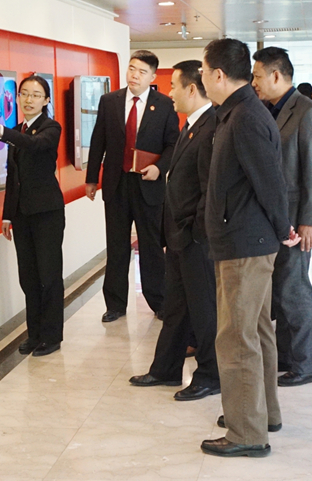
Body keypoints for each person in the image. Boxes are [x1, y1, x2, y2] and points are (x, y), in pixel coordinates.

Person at [199, 38, 300, 458]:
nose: (202, 78)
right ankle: (262, 413)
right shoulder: (237, 112)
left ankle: (246, 433)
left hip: (245, 243)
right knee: (256, 330)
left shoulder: (244, 117)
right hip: (243, 239)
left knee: (236, 337)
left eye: (204, 72)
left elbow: (271, 182)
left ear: (219, 75)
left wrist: (283, 227)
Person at [128, 60, 220, 401]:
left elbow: (210, 189)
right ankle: (165, 369)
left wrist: (195, 231)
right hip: (180, 235)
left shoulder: (211, 127)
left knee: (204, 310)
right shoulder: (192, 125)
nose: (169, 93)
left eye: (173, 86)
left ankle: (210, 375)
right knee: (177, 307)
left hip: (195, 237)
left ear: (191, 89)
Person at [0, 75, 65, 357]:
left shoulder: (51, 128)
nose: (28, 100)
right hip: (22, 215)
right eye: (24, 94)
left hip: (47, 213)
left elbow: (34, 145)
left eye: (35, 95)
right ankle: (34, 334)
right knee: (29, 277)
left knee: (49, 276)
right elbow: (14, 178)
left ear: (46, 100)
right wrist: (7, 216)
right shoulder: (17, 130)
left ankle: (51, 336)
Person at [251, 47, 312, 387]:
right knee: (280, 289)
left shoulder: (307, 111)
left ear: (276, 75)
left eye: (257, 76)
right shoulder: (268, 109)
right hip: (276, 218)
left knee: (294, 290)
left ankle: (307, 364)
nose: (254, 82)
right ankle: (287, 356)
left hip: (299, 217)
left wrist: (311, 220)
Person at [86, 50, 179, 323]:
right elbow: (98, 140)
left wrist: (160, 168)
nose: (135, 75)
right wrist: (92, 178)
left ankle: (159, 301)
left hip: (148, 183)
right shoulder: (110, 101)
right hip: (116, 183)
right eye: (132, 69)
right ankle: (115, 304)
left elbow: (173, 144)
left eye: (142, 72)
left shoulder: (164, 104)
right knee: (116, 245)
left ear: (152, 77)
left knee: (151, 246)